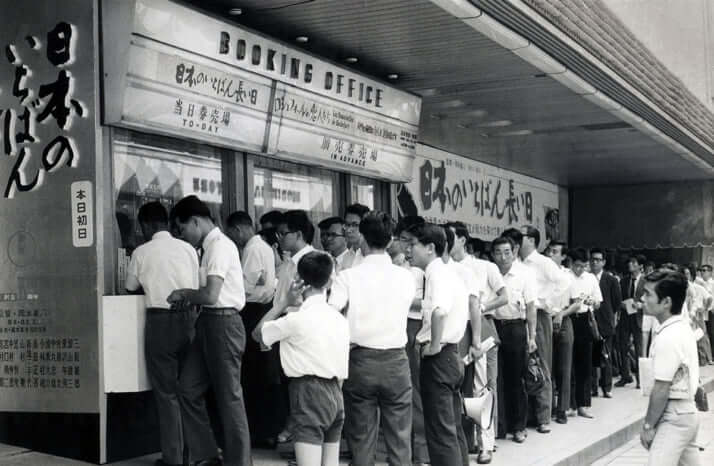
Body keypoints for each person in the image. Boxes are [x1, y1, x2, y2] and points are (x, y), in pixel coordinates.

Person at [167, 195, 251, 466]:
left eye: (181, 229)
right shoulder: (209, 247)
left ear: (195, 221)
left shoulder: (219, 247)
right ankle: (206, 455)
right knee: (187, 388)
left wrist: (184, 294)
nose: (182, 236)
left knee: (229, 398)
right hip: (209, 323)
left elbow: (212, 294)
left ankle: (240, 462)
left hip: (223, 324)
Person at [329, 211, 415, 466]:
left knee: (361, 438)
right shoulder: (406, 277)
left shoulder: (348, 277)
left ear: (362, 239)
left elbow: (332, 312)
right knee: (400, 439)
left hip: (360, 361)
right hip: (397, 361)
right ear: (390, 241)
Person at [255, 251, 350, 466]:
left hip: (307, 392)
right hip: (336, 392)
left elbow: (258, 333)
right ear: (329, 282)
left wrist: (282, 303)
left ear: (299, 282)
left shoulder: (295, 320)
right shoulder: (340, 320)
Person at [125, 202, 199, 466]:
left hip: (160, 322)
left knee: (166, 393)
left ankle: (173, 458)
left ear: (145, 224)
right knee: (189, 391)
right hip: (189, 319)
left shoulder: (142, 252)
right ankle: (192, 455)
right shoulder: (188, 248)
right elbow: (197, 283)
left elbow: (130, 285)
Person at [404, 223, 470, 466]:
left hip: (440, 358)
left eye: (413, 245)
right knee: (452, 428)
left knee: (440, 433)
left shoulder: (436, 275)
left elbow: (439, 312)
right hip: (452, 355)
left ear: (430, 247)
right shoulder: (448, 273)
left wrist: (433, 345)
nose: (408, 250)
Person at [448, 222, 507, 464]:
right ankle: (466, 440)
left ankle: (486, 444)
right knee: (460, 387)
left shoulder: (484, 266)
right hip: (455, 331)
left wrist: (481, 307)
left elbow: (505, 296)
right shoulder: (442, 267)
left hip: (481, 330)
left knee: (483, 386)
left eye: (449, 237)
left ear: (462, 240)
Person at [225, 211, 282, 447]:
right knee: (263, 374)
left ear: (239, 229)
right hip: (264, 309)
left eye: (233, 233)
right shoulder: (264, 247)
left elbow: (245, 286)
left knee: (254, 375)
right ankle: (266, 429)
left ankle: (260, 431)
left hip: (253, 312)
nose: (234, 239)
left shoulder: (252, 249)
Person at [639, 270, 701, 465]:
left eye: (648, 294)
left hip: (673, 416)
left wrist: (648, 426)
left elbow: (661, 388)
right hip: (686, 413)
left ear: (666, 302)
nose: (642, 298)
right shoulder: (681, 327)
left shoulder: (668, 337)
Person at [519, 226, 569, 433]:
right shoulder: (517, 263)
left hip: (538, 315)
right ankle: (529, 415)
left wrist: (547, 302)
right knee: (526, 366)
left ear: (531, 240)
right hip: (520, 316)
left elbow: (564, 283)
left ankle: (543, 417)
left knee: (541, 364)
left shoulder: (543, 262)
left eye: (521, 237)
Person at [491, 236, 537, 444]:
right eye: (498, 252)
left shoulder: (524, 275)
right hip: (493, 327)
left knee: (516, 379)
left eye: (507, 252)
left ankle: (519, 427)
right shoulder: (489, 273)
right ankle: (500, 427)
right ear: (493, 255)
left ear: (514, 252)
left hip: (516, 328)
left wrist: (532, 336)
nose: (503, 257)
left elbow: (531, 307)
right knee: (496, 379)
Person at [442, 225, 482, 459]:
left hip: (463, 332)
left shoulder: (467, 271)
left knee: (466, 389)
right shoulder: (434, 270)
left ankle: (468, 441)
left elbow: (474, 306)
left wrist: (476, 341)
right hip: (446, 335)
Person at [396, 215, 430, 465]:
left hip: (416, 326)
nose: (405, 246)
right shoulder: (401, 264)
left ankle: (422, 452)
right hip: (400, 326)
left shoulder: (425, 268)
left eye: (409, 241)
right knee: (403, 391)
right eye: (402, 240)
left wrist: (400, 299)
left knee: (418, 391)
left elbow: (432, 303)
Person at [564, 248, 602, 419]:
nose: (580, 269)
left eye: (583, 266)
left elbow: (599, 302)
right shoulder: (565, 276)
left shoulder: (591, 278)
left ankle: (583, 404)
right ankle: (569, 404)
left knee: (585, 364)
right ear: (571, 263)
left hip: (585, 320)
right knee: (568, 364)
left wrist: (592, 302)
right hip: (569, 318)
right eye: (577, 266)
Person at [545, 240, 574, 423]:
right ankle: (548, 407)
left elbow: (577, 302)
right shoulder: (541, 273)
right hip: (545, 319)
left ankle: (562, 408)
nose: (550, 254)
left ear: (563, 256)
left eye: (555, 252)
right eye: (549, 251)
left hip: (563, 319)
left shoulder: (568, 275)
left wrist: (561, 315)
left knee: (564, 366)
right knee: (547, 365)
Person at [590, 248, 622, 398]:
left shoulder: (611, 280)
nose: (595, 262)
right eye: (593, 259)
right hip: (589, 321)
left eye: (598, 260)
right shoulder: (587, 278)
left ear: (603, 262)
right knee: (592, 356)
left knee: (605, 355)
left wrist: (610, 316)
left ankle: (606, 387)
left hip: (605, 322)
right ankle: (592, 387)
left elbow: (617, 302)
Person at [616, 255, 647, 388]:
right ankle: (625, 376)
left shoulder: (646, 281)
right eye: (630, 262)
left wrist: (641, 304)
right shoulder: (623, 281)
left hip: (639, 318)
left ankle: (641, 379)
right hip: (625, 317)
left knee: (639, 349)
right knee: (623, 347)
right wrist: (621, 304)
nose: (630, 264)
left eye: (634, 263)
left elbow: (650, 298)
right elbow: (619, 298)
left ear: (640, 266)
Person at [343, 203, 370, 269]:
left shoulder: (372, 256)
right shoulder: (346, 256)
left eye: (355, 225)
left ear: (366, 226)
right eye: (347, 224)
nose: (348, 230)